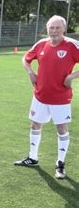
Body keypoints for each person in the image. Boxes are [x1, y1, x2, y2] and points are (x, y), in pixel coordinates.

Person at [14, 15, 79, 179]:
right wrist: (30, 73)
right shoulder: (41, 44)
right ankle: (33, 157)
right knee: (35, 125)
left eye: (57, 27)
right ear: (47, 29)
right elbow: (25, 58)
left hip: (61, 98)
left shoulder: (72, 45)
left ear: (64, 29)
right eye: (51, 27)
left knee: (61, 129)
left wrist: (71, 77)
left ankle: (60, 164)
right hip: (40, 96)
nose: (54, 31)